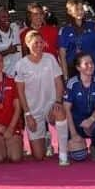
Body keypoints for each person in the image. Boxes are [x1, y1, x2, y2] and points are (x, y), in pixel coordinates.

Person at [15, 30, 69, 165]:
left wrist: (57, 101)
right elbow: (20, 91)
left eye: (41, 42)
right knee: (39, 156)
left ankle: (63, 155)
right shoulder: (21, 64)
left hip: (50, 106)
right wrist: (27, 114)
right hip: (33, 112)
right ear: (27, 44)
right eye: (35, 43)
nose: (39, 45)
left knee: (59, 111)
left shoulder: (50, 58)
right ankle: (45, 137)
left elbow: (58, 82)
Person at [63, 53, 95, 162]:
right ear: (78, 67)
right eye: (86, 64)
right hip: (75, 123)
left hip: (90, 122)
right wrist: (74, 133)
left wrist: (91, 119)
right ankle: (66, 145)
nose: (90, 66)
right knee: (78, 155)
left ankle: (94, 146)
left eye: (92, 63)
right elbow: (67, 110)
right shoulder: (72, 83)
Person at [58, 0, 92, 79]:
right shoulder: (65, 30)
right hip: (72, 69)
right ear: (69, 12)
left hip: (90, 67)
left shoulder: (92, 25)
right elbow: (62, 56)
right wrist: (66, 77)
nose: (80, 12)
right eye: (76, 9)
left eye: (81, 9)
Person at [0, 8, 21, 76]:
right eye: (3, 17)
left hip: (18, 73)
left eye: (8, 16)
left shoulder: (15, 27)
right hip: (3, 74)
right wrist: (8, 51)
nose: (7, 19)